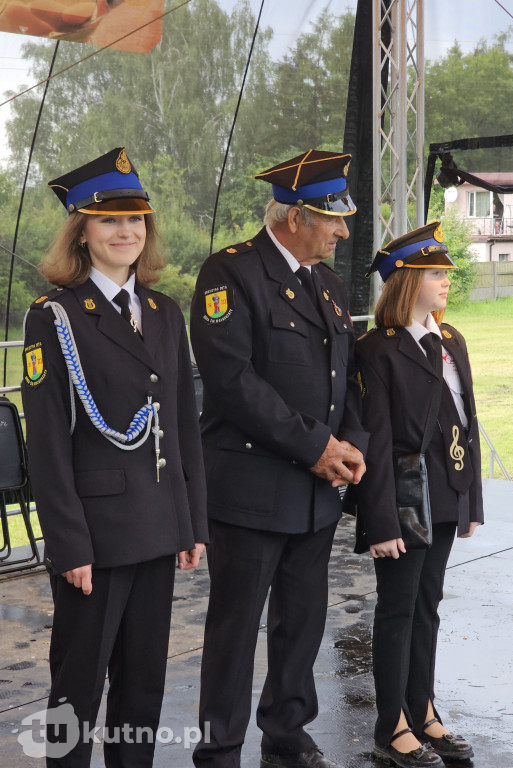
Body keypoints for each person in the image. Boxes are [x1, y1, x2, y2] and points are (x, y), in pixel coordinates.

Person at [21, 147, 208, 768]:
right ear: (81, 231)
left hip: (157, 529)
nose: (126, 231)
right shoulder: (56, 317)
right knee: (76, 691)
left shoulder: (164, 311)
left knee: (143, 689)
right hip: (95, 541)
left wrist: (191, 525)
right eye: (108, 220)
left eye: (135, 219)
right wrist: (69, 544)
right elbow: (46, 445)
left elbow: (181, 427)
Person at [190, 149, 369, 768]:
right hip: (251, 488)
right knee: (235, 632)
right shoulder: (229, 274)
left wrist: (349, 447)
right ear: (295, 216)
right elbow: (234, 383)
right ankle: (220, 751)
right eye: (333, 219)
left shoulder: (329, 283)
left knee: (301, 625)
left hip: (317, 492)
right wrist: (317, 446)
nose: (344, 231)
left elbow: (344, 377)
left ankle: (286, 739)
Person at [351, 222, 484, 768]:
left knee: (428, 605)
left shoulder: (451, 340)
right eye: (435, 274)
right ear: (405, 282)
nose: (445, 282)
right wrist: (378, 520)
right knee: (398, 609)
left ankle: (423, 709)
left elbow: (467, 422)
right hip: (404, 496)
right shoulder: (377, 350)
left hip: (447, 491)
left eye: (445, 273)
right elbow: (377, 439)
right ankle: (393, 726)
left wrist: (472, 498)